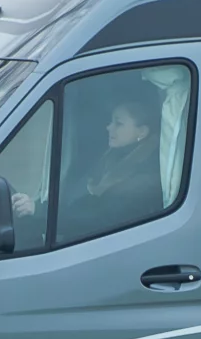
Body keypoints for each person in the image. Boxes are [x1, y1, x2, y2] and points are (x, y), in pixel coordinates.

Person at [61, 87, 165, 242]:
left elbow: (102, 219)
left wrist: (48, 218)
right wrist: (39, 209)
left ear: (142, 132)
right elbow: (76, 197)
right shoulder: (110, 158)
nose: (109, 127)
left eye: (119, 123)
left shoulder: (148, 176)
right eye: (111, 121)